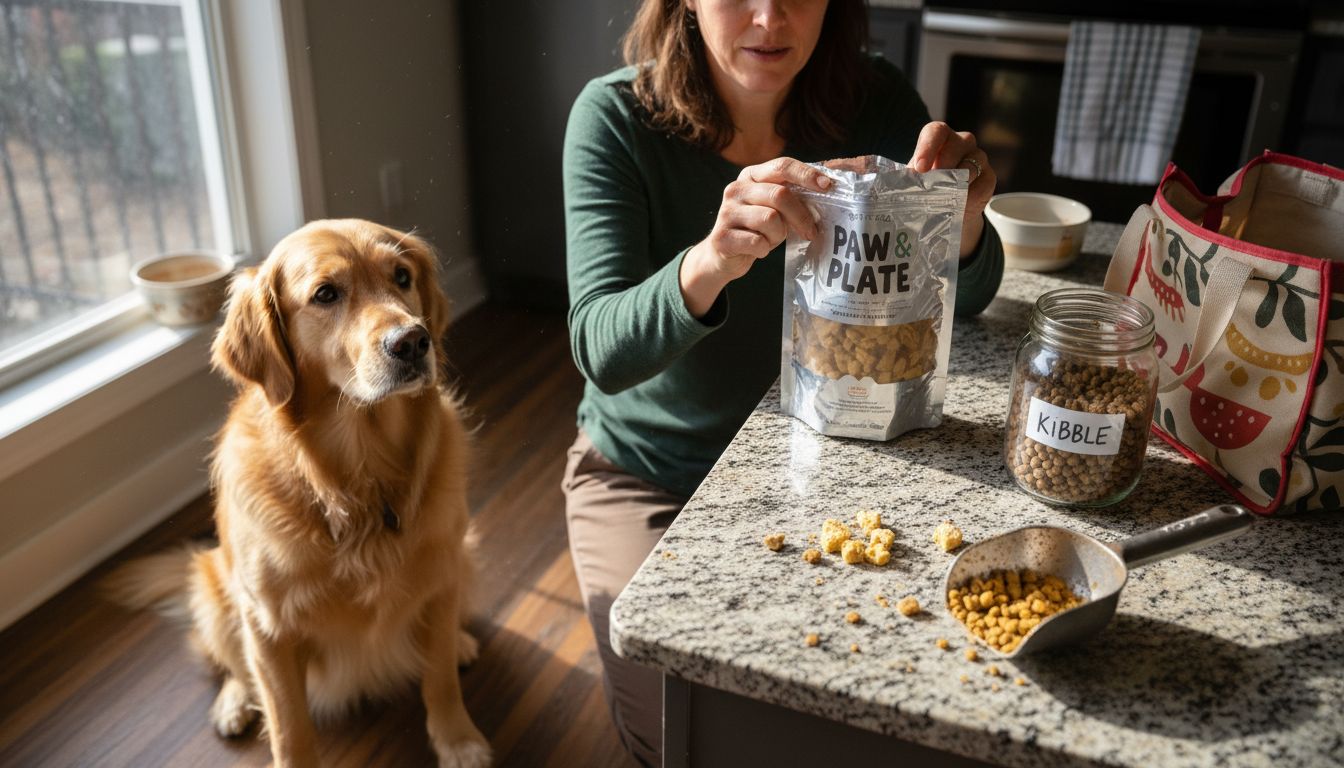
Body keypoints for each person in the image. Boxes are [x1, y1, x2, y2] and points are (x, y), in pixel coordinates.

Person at [561, 1, 1003, 764]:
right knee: (679, 733)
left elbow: (973, 296)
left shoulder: (875, 100)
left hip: (827, 462)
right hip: (653, 473)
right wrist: (710, 260)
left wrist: (961, 220)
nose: (769, 18)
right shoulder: (613, 119)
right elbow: (600, 346)